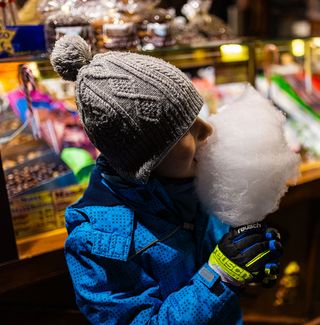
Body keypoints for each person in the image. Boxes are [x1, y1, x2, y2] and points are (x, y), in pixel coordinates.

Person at [51, 35, 282, 324]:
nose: (207, 130)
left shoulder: (194, 183)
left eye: (198, 116)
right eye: (187, 128)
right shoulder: (96, 242)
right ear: (149, 157)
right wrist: (219, 275)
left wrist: (247, 255)